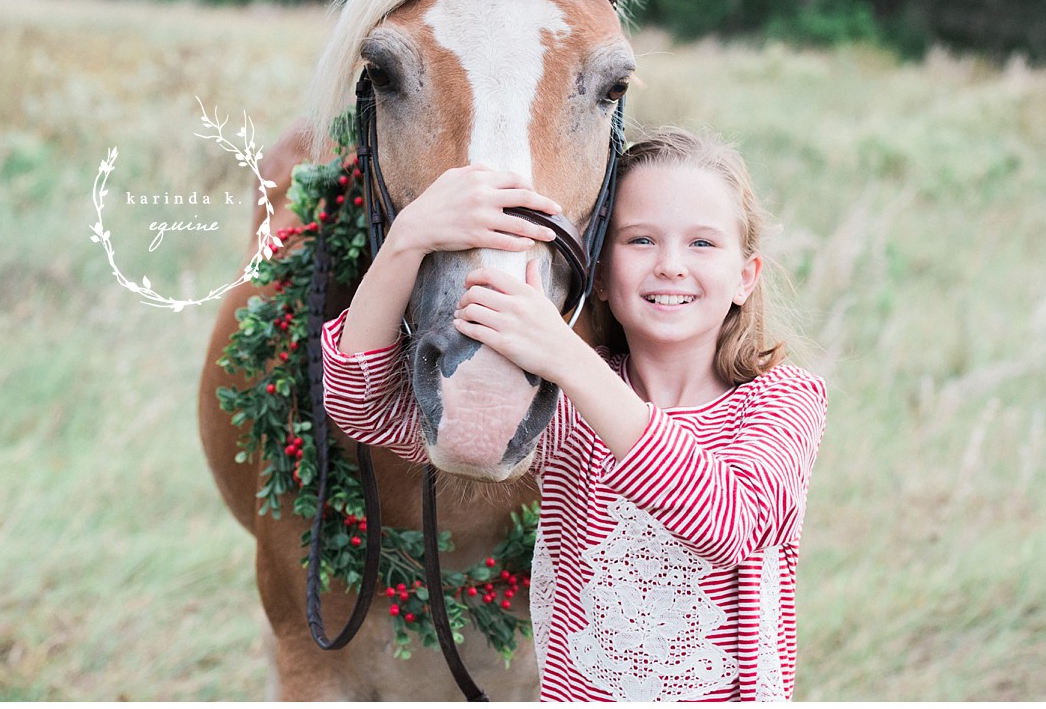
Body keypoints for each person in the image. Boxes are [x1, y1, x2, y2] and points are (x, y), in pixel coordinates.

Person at [321, 126, 827, 701]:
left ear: (745, 277)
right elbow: (365, 408)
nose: (669, 266)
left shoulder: (782, 400)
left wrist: (566, 358)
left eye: (702, 244)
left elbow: (726, 523)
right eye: (640, 241)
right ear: (602, 275)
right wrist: (406, 241)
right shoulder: (564, 409)